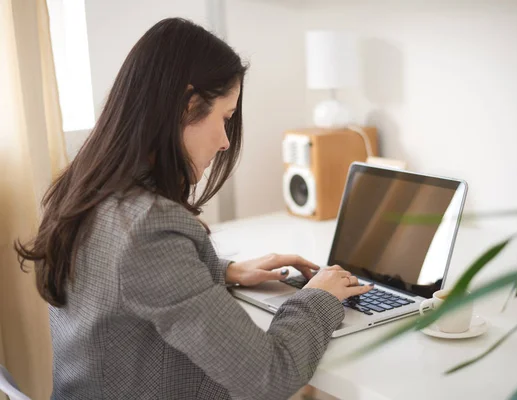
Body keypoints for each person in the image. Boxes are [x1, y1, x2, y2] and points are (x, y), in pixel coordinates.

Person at [15, 18, 373, 399]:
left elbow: (123, 283)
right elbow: (268, 377)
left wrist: (226, 271)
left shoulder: (86, 189)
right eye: (225, 118)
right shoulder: (149, 227)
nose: (224, 141)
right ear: (188, 106)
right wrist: (318, 296)